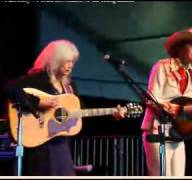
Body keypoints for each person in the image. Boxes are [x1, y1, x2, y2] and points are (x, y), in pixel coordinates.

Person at [4, 39, 125, 176]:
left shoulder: (70, 87)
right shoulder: (37, 79)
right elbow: (9, 89)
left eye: (73, 62)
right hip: (38, 150)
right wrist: (38, 102)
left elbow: (82, 115)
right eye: (67, 61)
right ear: (55, 60)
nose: (70, 66)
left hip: (61, 148)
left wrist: (113, 114)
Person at [141, 27, 192, 176]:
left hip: (178, 133)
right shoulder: (161, 67)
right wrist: (181, 109)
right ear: (180, 47)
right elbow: (151, 100)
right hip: (157, 131)